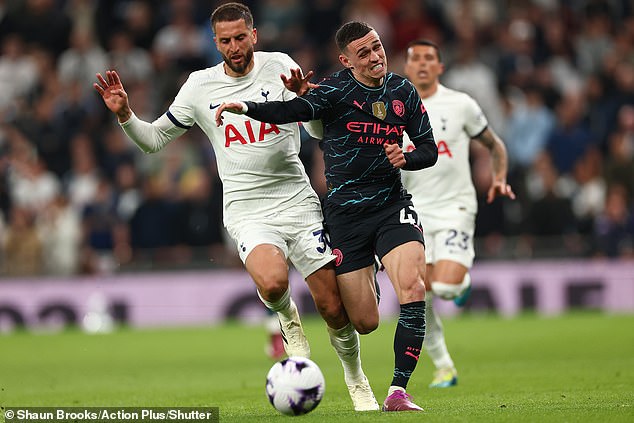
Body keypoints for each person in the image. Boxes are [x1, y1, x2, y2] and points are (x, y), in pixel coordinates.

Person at [93, 3, 378, 412]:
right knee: (274, 283)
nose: (234, 46)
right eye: (225, 40)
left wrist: (304, 99)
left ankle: (356, 379)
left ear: (254, 35)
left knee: (333, 308)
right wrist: (125, 116)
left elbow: (319, 129)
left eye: (240, 37)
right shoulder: (199, 86)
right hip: (246, 208)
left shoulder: (280, 66)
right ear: (215, 42)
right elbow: (154, 140)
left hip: (296, 199)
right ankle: (286, 318)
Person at [215, 21, 438, 412]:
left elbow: (429, 149)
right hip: (344, 216)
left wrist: (408, 157)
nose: (375, 57)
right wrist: (246, 106)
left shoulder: (403, 90)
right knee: (365, 322)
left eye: (377, 47)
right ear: (346, 61)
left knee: (414, 287)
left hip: (390, 205)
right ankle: (371, 270)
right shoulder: (335, 91)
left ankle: (397, 390)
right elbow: (293, 109)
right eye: (364, 53)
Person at [400, 39, 516, 388]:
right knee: (416, 290)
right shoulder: (391, 107)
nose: (421, 64)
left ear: (440, 67)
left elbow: (494, 145)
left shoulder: (460, 104)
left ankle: (461, 283)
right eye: (415, 58)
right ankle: (444, 365)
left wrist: (498, 177)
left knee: (445, 288)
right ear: (406, 67)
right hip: (411, 210)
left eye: (429, 58)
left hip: (455, 207)